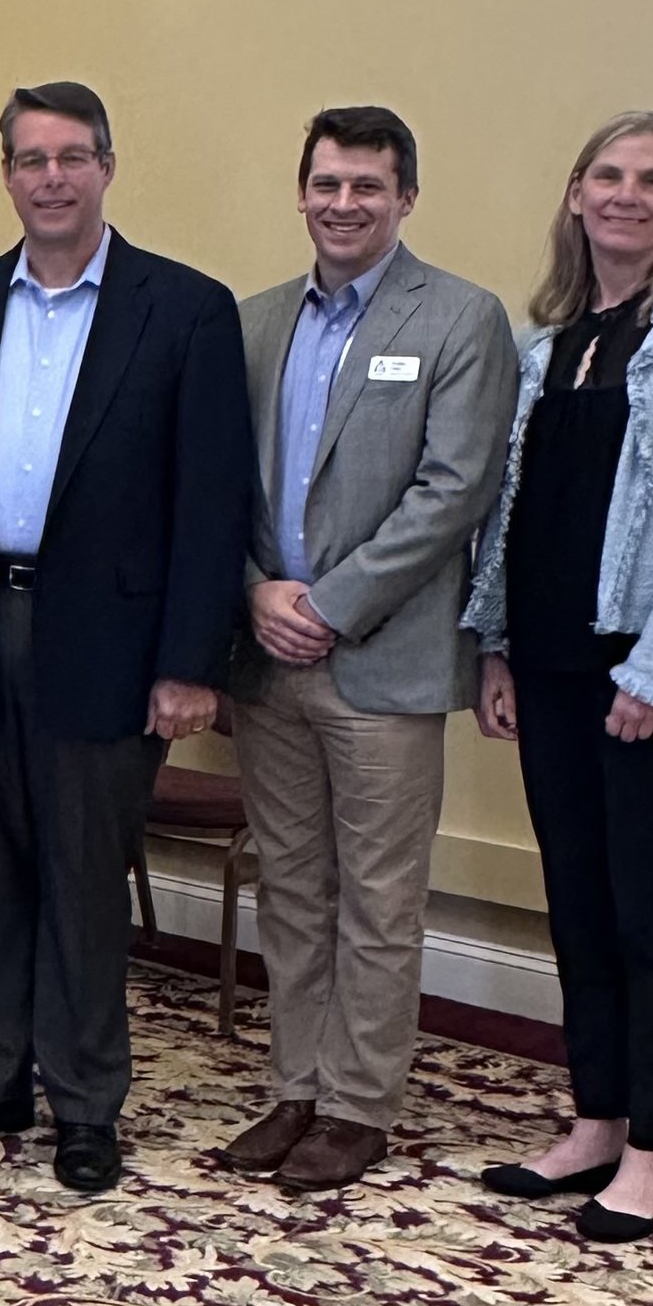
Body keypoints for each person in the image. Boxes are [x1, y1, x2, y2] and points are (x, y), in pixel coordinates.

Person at [0, 82, 251, 1194]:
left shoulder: (185, 309)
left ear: (107, 169)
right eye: (30, 159)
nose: (51, 178)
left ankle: (85, 1099)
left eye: (72, 156)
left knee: (83, 876)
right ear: (6, 175)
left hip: (108, 643)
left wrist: (189, 664)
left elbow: (210, 500)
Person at [217, 108, 518, 1190]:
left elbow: (455, 490)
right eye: (327, 183)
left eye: (367, 186)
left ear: (405, 198)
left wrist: (331, 604)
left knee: (380, 897)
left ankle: (357, 1105)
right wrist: (256, 592)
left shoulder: (461, 318)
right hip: (268, 659)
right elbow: (219, 485)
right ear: (300, 192)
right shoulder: (252, 323)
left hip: (383, 662)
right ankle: (296, 1086)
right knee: (291, 889)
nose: (343, 204)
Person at [465, 112, 653, 1243]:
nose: (626, 194)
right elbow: (513, 514)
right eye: (606, 175)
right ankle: (597, 1119)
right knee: (576, 895)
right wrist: (497, 645)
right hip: (552, 659)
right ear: (575, 195)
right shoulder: (549, 343)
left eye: (651, 179)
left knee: (651, 907)